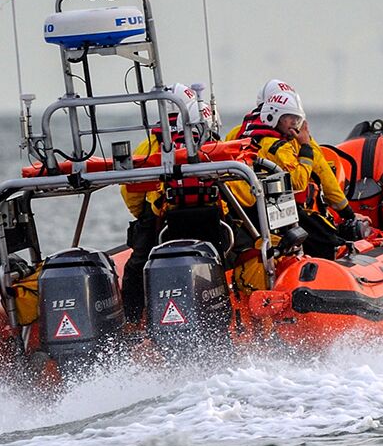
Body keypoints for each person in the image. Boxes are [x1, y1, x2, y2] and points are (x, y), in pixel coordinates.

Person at [226, 81, 365, 260]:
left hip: (245, 213)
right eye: (289, 116)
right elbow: (322, 176)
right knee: (328, 241)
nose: (293, 122)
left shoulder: (238, 134)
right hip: (280, 209)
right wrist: (347, 213)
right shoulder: (292, 140)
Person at [119, 83, 217, 324]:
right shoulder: (213, 145)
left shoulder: (150, 146)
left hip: (161, 222)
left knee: (135, 268)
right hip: (214, 222)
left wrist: (143, 214)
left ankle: (131, 322)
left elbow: (129, 191)